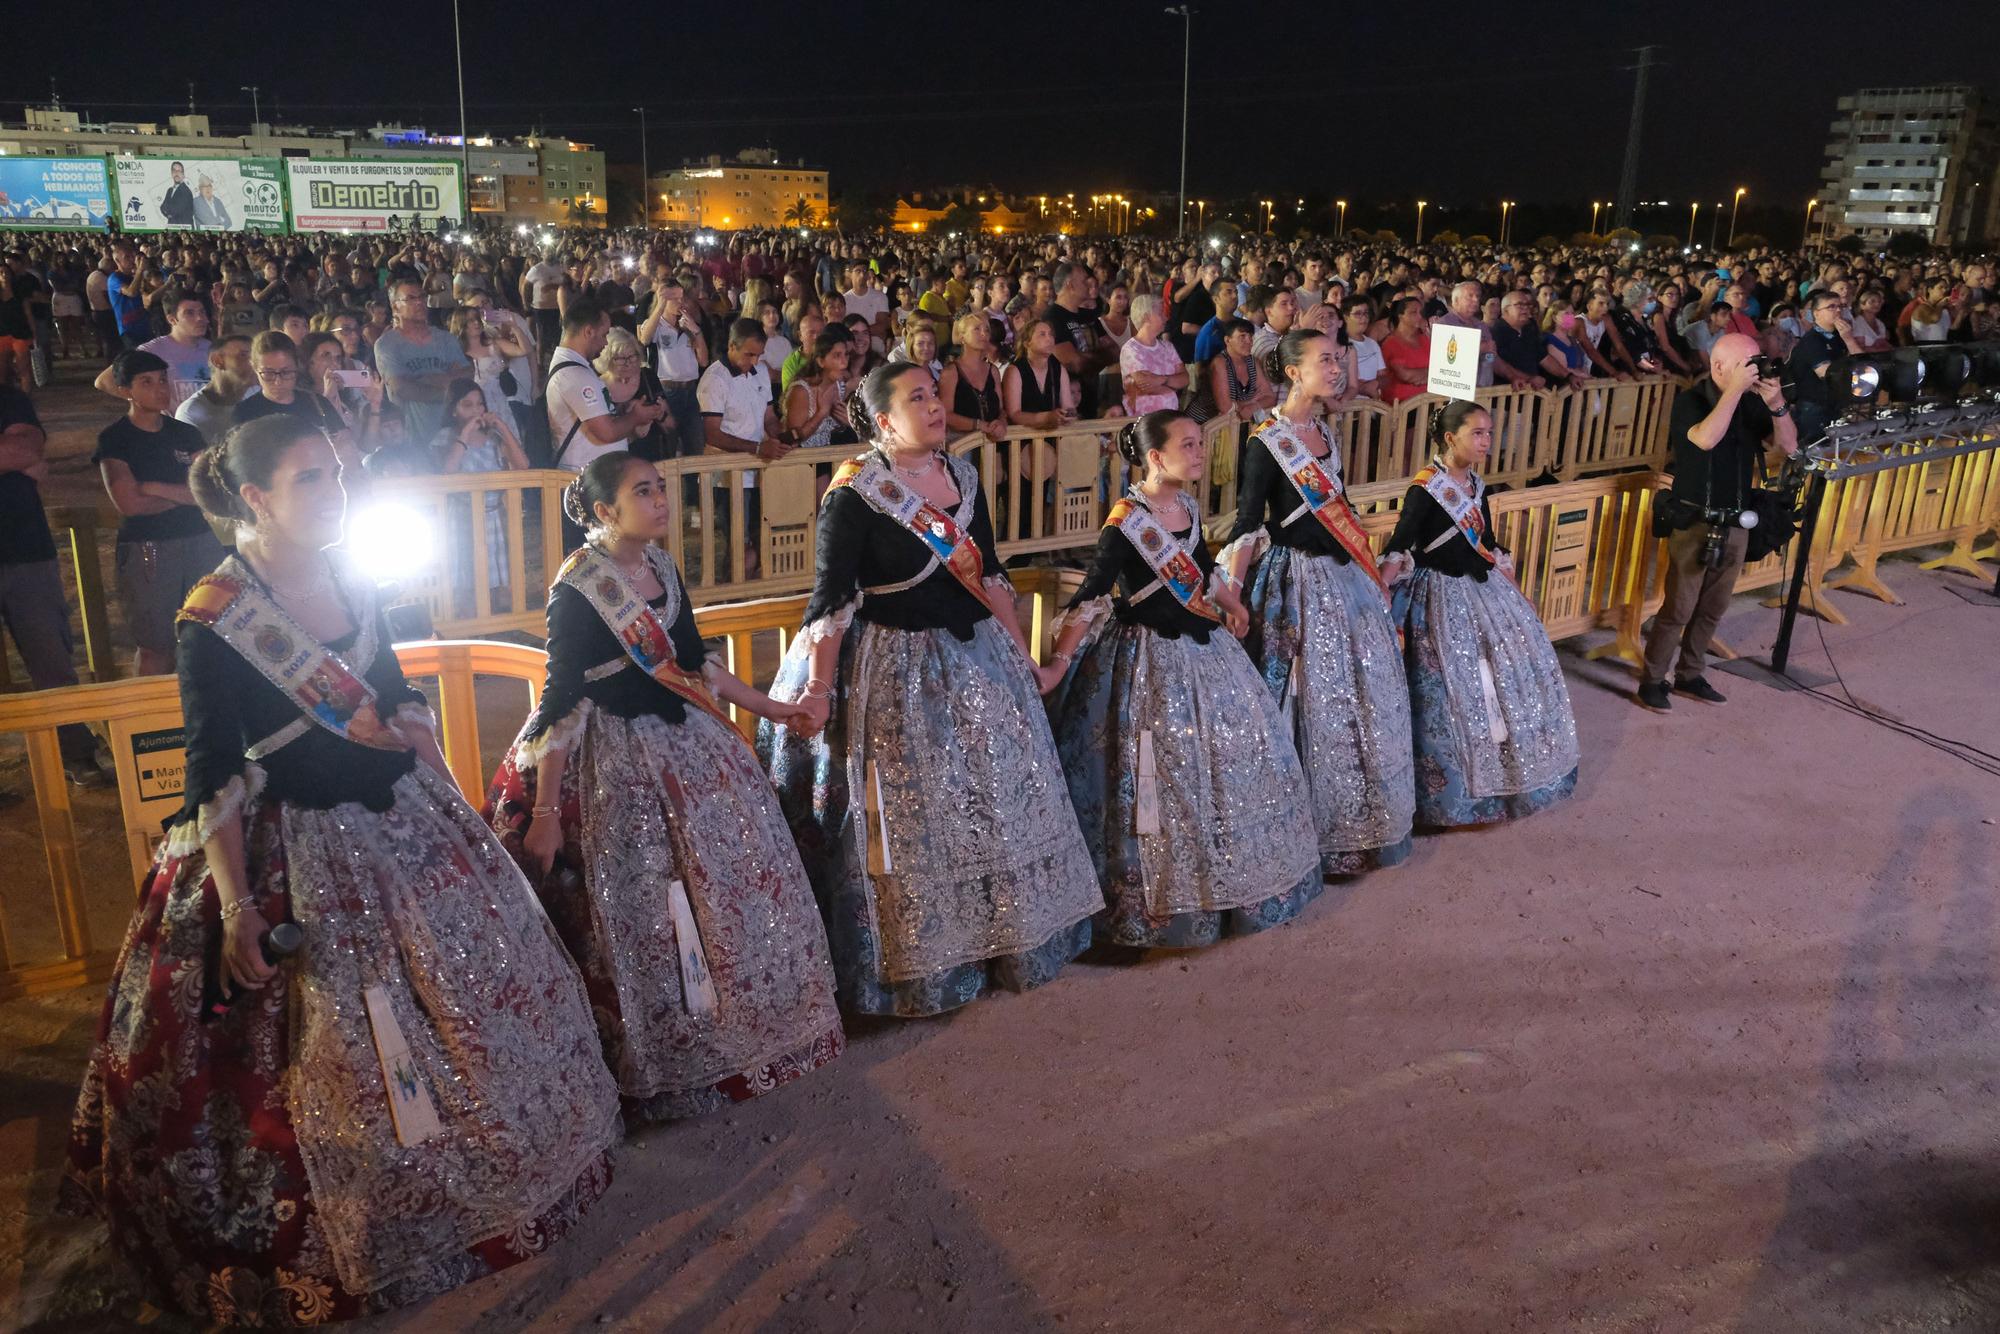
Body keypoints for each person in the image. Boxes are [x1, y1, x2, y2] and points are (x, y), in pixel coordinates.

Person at [63, 414, 620, 1327]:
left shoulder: (351, 572)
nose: (338, 492)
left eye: (338, 473)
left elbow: (394, 687)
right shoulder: (213, 617)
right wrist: (240, 904)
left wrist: (417, 744)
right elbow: (211, 775)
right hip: (295, 850)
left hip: (403, 821)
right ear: (254, 498)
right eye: (313, 479)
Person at [484, 451, 843, 1120]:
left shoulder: (663, 568)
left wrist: (773, 709)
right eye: (642, 492)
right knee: (646, 904)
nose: (660, 501)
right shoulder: (578, 588)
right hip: (612, 755)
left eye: (660, 489)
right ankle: (671, 1057)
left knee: (732, 886)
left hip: (691, 746)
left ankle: (742, 1032)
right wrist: (544, 811)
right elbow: (559, 699)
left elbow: (696, 664)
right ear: (603, 513)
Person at [756, 362, 1101, 1016]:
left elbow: (992, 575)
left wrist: (1025, 664)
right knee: (915, 819)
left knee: (996, 800)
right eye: (916, 398)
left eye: (934, 393)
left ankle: (1008, 940)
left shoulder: (964, 477)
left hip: (982, 664)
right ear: (884, 420)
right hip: (897, 672)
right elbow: (831, 601)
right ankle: (926, 968)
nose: (935, 405)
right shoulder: (855, 494)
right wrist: (821, 688)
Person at [1044, 410, 1322, 948]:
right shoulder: (1125, 522)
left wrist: (1231, 601)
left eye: (1200, 443)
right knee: (1154, 775)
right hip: (1145, 661)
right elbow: (1093, 595)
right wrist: (1059, 663)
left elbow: (1198, 566)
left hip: (1205, 651)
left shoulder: (1187, 506)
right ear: (1155, 457)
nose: (1200, 453)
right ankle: (1153, 906)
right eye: (1189, 445)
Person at [1220, 330, 1415, 874]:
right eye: (1324, 360)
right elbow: (1247, 521)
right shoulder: (1265, 442)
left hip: (1343, 580)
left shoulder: (1326, 430)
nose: (1336, 368)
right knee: (1306, 699)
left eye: (1338, 359)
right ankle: (1302, 829)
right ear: (1292, 372)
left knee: (1357, 697)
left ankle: (1358, 821)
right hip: (1295, 586)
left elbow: (1341, 508)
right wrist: (1230, 593)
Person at [1380, 400, 1579, 826]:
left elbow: (1485, 539)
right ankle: (1453, 795)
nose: (1487, 441)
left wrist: (1516, 590)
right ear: (1450, 438)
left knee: (1501, 677)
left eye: (1490, 432)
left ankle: (1505, 775)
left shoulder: (1475, 484)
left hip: (1481, 591)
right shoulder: (1426, 488)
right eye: (1478, 433)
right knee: (1454, 691)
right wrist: (1381, 590)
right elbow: (1400, 543)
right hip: (1439, 598)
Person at [1637, 333, 1798, 711]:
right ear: (1720, 366)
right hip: (1694, 520)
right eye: (1747, 365)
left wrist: (1776, 404)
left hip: (1737, 522)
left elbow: (1789, 447)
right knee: (1678, 608)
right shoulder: (1691, 400)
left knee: (1713, 607)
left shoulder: (1751, 403)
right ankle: (1653, 679)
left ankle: (1691, 674)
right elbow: (1705, 439)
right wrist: (1734, 393)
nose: (1753, 371)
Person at [0, 382, 114, 784]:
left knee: (52, 659)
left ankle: (76, 753)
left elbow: (26, 451)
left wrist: (19, 457)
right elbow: (16, 454)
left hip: (26, 548)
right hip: (23, 542)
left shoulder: (9, 396)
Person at [95, 350, 229, 677]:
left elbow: (207, 491)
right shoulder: (116, 439)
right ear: (126, 390)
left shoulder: (185, 433)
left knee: (213, 635)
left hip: (199, 542)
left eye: (162, 380)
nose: (160, 388)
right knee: (156, 644)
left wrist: (154, 487)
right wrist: (185, 495)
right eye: (147, 382)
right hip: (150, 548)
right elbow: (129, 503)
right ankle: (155, 726)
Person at [433, 378, 531, 616]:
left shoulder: (494, 438)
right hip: (461, 519)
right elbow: (447, 471)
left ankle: (495, 631)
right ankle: (467, 632)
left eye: (479, 404)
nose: (476, 410)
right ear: (454, 409)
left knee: (496, 585)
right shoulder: (445, 437)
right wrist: (465, 434)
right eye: (467, 405)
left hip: (493, 517)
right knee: (465, 583)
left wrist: (503, 427)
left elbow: (523, 466)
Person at [94, 288, 212, 411]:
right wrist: (144, 403)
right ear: (172, 319)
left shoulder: (212, 349)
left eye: (202, 312)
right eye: (189, 313)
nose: (200, 318)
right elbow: (105, 381)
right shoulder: (153, 350)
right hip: (174, 427)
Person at [636, 271, 710, 460]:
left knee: (695, 447)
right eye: (674, 298)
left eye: (681, 298)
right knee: (668, 448)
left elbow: (703, 361)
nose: (680, 303)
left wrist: (697, 332)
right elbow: (644, 339)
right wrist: (660, 305)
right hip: (667, 392)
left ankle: (692, 487)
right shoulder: (657, 325)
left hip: (691, 392)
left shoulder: (689, 324)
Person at [1787, 289, 1868, 445]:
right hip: (1814, 407)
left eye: (1840, 307)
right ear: (1816, 313)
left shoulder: (1840, 336)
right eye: (1831, 307)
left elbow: (1863, 364)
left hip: (1835, 404)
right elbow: (1828, 375)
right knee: (1818, 452)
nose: (1838, 310)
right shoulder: (1812, 341)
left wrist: (1849, 340)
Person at [936, 311, 1006, 448]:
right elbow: (945, 414)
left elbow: (1001, 409)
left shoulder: (993, 371)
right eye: (976, 329)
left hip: (991, 444)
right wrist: (979, 425)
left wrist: (1001, 422)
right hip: (961, 445)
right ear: (962, 337)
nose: (983, 334)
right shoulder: (951, 372)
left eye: (987, 329)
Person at [783, 328, 858, 450]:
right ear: (821, 361)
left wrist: (849, 422)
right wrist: (821, 413)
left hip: (832, 459)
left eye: (846, 355)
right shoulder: (801, 390)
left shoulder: (840, 386)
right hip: (806, 463)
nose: (844, 363)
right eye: (837, 356)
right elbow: (792, 439)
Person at [173, 334, 254, 445]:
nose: (254, 363)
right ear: (218, 361)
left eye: (256, 357)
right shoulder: (190, 413)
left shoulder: (261, 396)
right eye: (244, 355)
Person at [1119, 293, 1187, 417]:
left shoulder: (1167, 346)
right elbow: (1146, 387)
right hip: (1145, 419)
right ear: (1147, 317)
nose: (1166, 317)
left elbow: (1185, 379)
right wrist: (1173, 385)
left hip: (1170, 416)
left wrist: (1162, 380)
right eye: (1161, 313)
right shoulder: (1131, 349)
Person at [1378, 297, 1432, 405]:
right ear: (1400, 316)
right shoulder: (1390, 343)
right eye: (1413, 312)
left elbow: (1440, 368)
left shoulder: (1425, 338)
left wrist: (1427, 375)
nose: (1420, 316)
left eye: (1420, 312)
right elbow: (1406, 376)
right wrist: (1432, 373)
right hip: (1402, 406)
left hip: (1427, 401)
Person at [156, 162, 195, 227]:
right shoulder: (170, 190)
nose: (176, 173)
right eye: (174, 170)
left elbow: (177, 210)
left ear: (183, 175)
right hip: (173, 226)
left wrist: (168, 212)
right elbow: (162, 207)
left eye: (179, 171)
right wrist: (169, 214)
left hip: (184, 230)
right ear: (171, 174)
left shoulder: (186, 191)